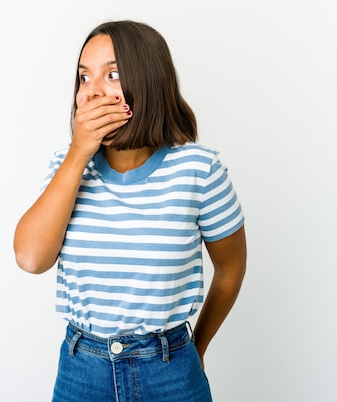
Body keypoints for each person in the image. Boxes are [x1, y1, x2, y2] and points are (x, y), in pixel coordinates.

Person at [13, 20, 247, 402]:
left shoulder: (199, 169)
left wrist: (195, 350)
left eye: (113, 74)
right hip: (81, 373)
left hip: (171, 372)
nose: (91, 92)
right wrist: (77, 154)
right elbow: (30, 258)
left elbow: (231, 268)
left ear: (148, 82)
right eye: (84, 77)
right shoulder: (66, 168)